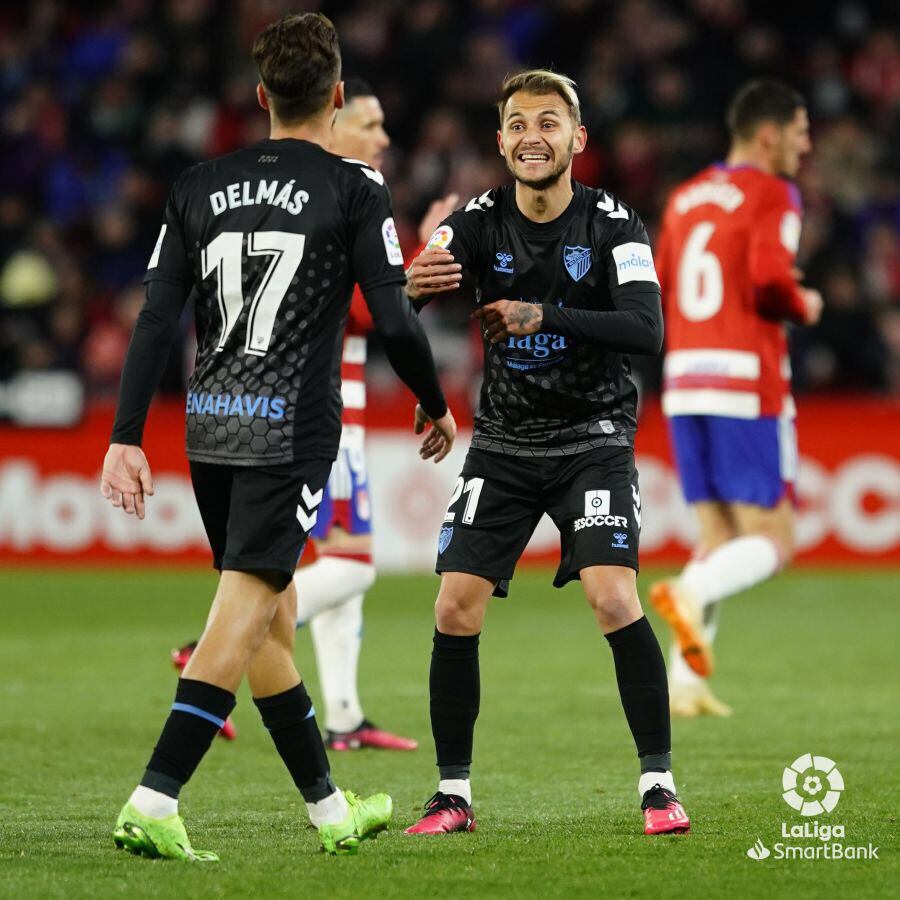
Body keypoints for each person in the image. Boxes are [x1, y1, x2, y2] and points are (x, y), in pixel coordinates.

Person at [100, 13, 455, 861]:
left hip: (209, 426)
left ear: (261, 96)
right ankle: (155, 796)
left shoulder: (196, 184)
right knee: (243, 616)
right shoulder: (355, 186)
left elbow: (155, 317)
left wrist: (125, 434)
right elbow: (396, 317)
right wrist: (436, 401)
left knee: (272, 621)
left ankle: (331, 810)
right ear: (336, 96)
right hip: (290, 430)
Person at [402, 69, 690, 837]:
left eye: (549, 123)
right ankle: (452, 795)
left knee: (613, 596)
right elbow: (404, 302)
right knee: (454, 605)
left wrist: (543, 313)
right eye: (518, 124)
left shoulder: (615, 226)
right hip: (501, 442)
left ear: (577, 139)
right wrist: (409, 289)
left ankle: (659, 787)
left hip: (593, 438)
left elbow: (646, 329)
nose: (533, 136)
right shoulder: (475, 222)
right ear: (500, 141)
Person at [172, 81, 459, 752]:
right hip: (314, 416)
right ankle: (212, 645)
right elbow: (358, 313)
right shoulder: (334, 194)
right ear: (332, 123)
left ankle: (346, 717)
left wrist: (410, 258)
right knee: (353, 567)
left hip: (326, 412)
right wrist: (416, 270)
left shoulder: (332, 197)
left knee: (339, 574)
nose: (383, 137)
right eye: (370, 122)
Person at [651, 79, 822, 717]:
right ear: (769, 132)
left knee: (716, 532)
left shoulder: (686, 196)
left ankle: (684, 682)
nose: (807, 146)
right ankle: (690, 591)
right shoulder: (774, 192)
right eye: (801, 132)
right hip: (747, 379)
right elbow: (771, 279)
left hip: (686, 376)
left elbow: (661, 284)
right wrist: (806, 302)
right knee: (775, 540)